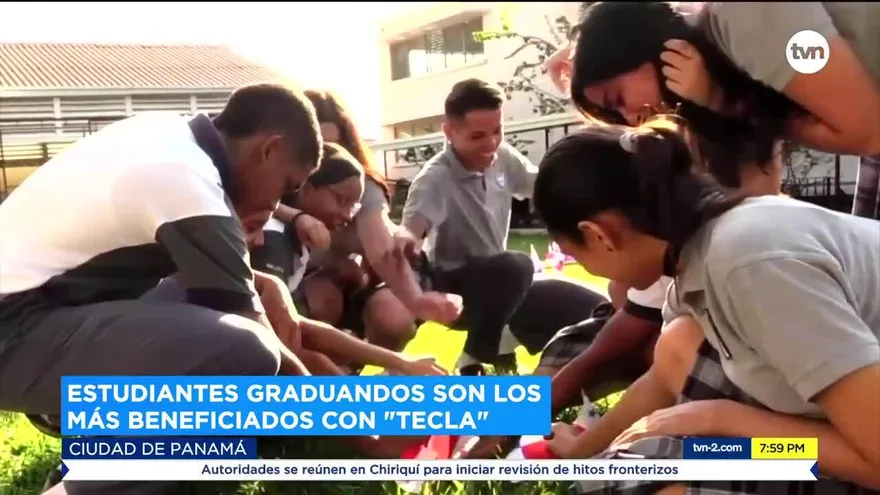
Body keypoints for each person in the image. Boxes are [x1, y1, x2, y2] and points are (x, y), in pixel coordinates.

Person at [0, 83, 324, 495]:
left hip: (34, 314)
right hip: (13, 328)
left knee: (197, 321)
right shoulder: (186, 178)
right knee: (246, 352)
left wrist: (271, 287)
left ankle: (91, 465)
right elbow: (258, 334)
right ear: (269, 149)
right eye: (288, 185)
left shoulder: (164, 136)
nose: (281, 204)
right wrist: (366, 429)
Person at [535, 118, 880, 493]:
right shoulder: (705, 251)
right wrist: (585, 453)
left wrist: (724, 419)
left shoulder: (750, 264)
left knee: (657, 484)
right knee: (678, 347)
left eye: (574, 254)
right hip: (850, 429)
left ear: (597, 235)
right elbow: (666, 371)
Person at [548, 2, 880, 217]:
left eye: (617, 99)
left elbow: (868, 133)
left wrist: (721, 101)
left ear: (633, 47)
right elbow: (755, 200)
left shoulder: (747, 15)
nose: (633, 119)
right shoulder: (716, 75)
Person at [396, 78, 607, 375]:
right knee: (516, 265)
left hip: (506, 286)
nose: (490, 144)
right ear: (449, 131)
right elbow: (411, 231)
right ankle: (474, 359)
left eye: (497, 131)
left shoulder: (503, 158)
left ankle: (508, 353)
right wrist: (407, 239)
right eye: (477, 136)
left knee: (596, 309)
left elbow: (539, 187)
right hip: (456, 289)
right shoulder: (434, 179)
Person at [272, 90, 461, 353]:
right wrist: (296, 216)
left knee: (391, 316)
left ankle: (363, 369)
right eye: (316, 151)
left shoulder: (360, 187)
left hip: (380, 277)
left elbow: (383, 251)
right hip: (316, 286)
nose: (326, 161)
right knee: (316, 300)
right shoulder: (277, 186)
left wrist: (416, 300)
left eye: (337, 149)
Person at [250, 142, 446, 378]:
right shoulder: (272, 241)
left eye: (353, 206)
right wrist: (400, 363)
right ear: (305, 187)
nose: (346, 215)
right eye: (341, 201)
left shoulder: (297, 235)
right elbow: (291, 333)